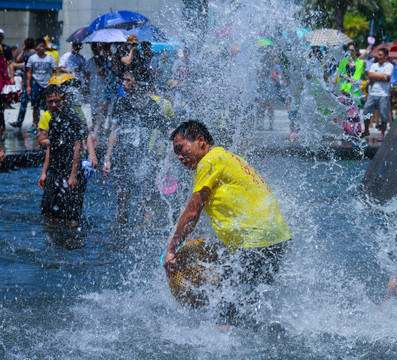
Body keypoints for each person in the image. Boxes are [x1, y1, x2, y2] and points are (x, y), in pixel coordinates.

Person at [163, 121, 292, 325]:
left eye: (181, 148)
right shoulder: (228, 157)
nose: (179, 157)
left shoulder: (210, 161)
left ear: (200, 140)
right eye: (176, 153)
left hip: (255, 243)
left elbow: (191, 213)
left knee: (225, 315)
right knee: (245, 308)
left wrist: (171, 249)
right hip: (277, 240)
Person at [102, 71, 170, 224]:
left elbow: (166, 133)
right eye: (123, 80)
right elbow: (114, 131)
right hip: (121, 159)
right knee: (122, 201)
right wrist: (107, 159)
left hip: (144, 161)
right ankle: (121, 236)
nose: (123, 83)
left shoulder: (152, 106)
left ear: (139, 83)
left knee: (145, 202)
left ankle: (147, 233)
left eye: (127, 80)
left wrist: (167, 162)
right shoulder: (120, 103)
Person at [38, 85, 86, 227]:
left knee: (72, 216)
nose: (53, 105)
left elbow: (78, 148)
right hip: (55, 170)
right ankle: (54, 243)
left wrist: (73, 175)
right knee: (48, 211)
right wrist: (44, 173)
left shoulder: (73, 118)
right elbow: (50, 147)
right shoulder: (53, 120)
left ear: (63, 100)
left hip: (71, 169)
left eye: (57, 101)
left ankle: (72, 242)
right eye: (50, 102)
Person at [361, 48, 394, 140]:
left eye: (380, 55)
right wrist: (381, 77)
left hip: (384, 94)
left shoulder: (389, 66)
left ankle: (382, 133)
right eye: (377, 55)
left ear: (385, 56)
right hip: (373, 93)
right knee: (366, 111)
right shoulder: (374, 65)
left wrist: (375, 77)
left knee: (384, 115)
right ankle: (366, 130)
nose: (378, 57)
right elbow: (370, 75)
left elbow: (387, 77)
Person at [26, 38, 57, 132]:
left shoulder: (50, 58)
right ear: (37, 47)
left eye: (44, 46)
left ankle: (49, 123)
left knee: (49, 105)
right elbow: (29, 73)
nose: (42, 48)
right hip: (36, 84)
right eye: (40, 46)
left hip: (47, 84)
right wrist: (28, 86)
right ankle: (35, 124)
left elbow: (54, 72)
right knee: (35, 105)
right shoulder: (32, 58)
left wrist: (54, 84)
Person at [9, 38, 36, 128]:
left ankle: (19, 122)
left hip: (27, 82)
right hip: (36, 82)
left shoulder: (27, 54)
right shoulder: (36, 54)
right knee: (35, 105)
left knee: (23, 104)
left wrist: (24, 49)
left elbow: (17, 59)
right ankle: (35, 123)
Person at [0, 45, 10, 140]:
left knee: (0, 111)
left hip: (0, 87)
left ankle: (2, 131)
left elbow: (5, 72)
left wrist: (7, 83)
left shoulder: (2, 60)